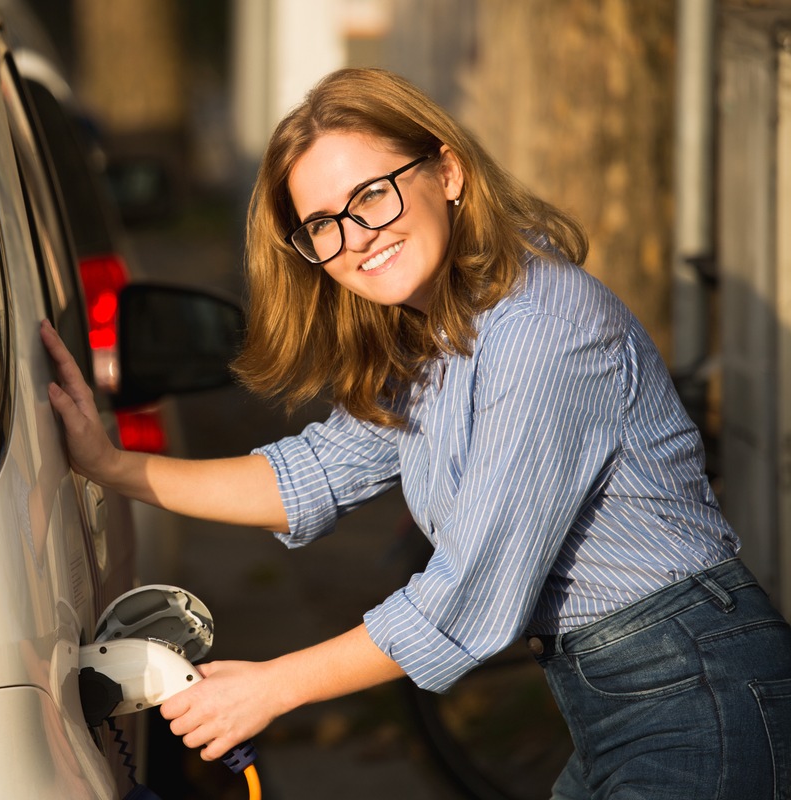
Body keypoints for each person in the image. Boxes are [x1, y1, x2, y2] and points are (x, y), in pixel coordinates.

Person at [41, 67, 791, 798]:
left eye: (372, 194)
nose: (356, 237)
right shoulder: (441, 333)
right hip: (622, 694)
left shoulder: (541, 332)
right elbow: (312, 475)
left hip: (695, 689)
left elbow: (469, 589)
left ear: (449, 172)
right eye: (323, 225)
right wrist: (113, 466)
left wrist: (272, 686)